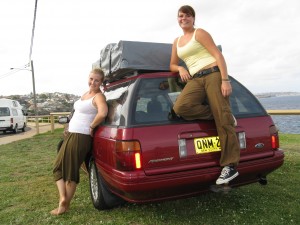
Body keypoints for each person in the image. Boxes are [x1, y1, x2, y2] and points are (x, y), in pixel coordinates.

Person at [170, 5, 240, 185]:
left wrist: (225, 80)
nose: (183, 18)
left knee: (223, 121)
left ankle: (230, 166)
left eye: (186, 16)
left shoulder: (199, 33)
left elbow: (217, 54)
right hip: (195, 78)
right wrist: (180, 68)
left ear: (193, 18)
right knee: (181, 107)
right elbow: (172, 64)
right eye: (180, 16)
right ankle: (223, 114)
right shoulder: (176, 41)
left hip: (213, 73)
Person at [50, 68, 108, 215]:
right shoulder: (85, 94)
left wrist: (92, 125)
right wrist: (69, 126)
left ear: (101, 82)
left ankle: (64, 205)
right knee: (57, 167)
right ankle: (63, 198)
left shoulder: (98, 96)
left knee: (70, 171)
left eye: (97, 80)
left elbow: (103, 113)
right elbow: (78, 113)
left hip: (81, 136)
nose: (93, 82)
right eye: (91, 79)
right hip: (71, 134)